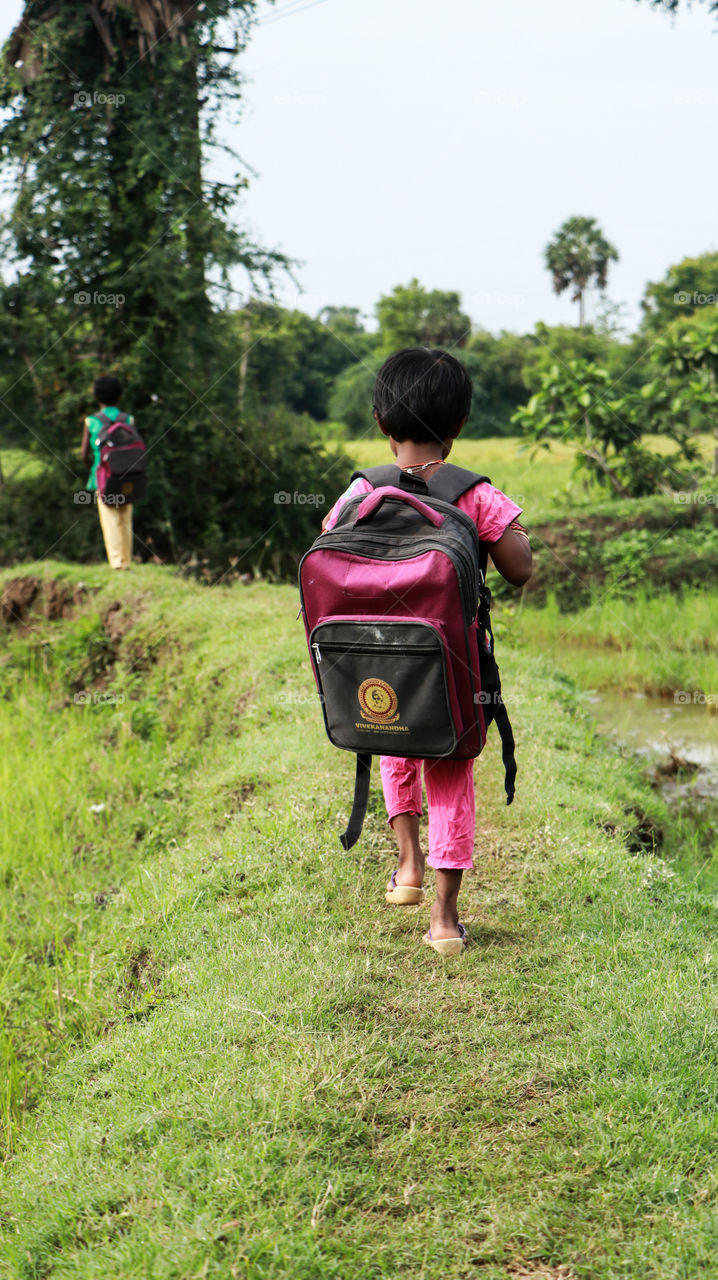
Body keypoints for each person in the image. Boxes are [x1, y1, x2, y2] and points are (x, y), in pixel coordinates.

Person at [322, 347, 532, 955]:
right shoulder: (474, 494)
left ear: (381, 422)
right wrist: (512, 528)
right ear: (460, 423)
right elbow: (520, 570)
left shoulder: (362, 490)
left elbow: (329, 551)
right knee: (450, 770)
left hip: (378, 666)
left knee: (393, 743)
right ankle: (443, 919)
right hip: (454, 671)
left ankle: (408, 865)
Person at [81, 375, 134, 570]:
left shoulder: (91, 421)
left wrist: (94, 469)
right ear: (119, 396)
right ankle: (126, 560)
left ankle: (117, 562)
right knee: (125, 517)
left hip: (103, 477)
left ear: (97, 397)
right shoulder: (127, 419)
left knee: (110, 519)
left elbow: (84, 454)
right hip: (127, 475)